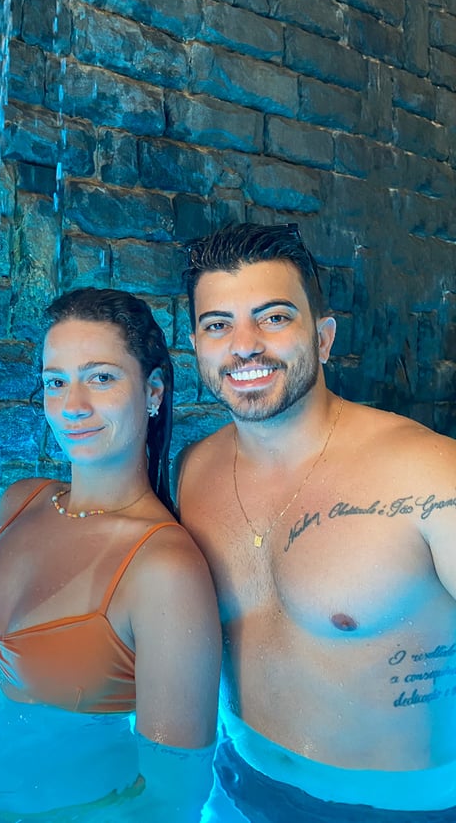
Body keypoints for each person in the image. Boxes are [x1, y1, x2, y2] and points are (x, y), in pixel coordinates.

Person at [177, 222, 456, 821]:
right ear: (197, 345)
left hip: (402, 811)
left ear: (323, 338)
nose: (244, 346)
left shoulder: (431, 476)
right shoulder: (193, 472)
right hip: (240, 780)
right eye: (218, 325)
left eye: (274, 318)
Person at [0, 286, 222, 819]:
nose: (72, 406)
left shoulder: (164, 569)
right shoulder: (21, 501)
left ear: (154, 392)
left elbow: (173, 793)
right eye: (56, 382)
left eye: (101, 378)